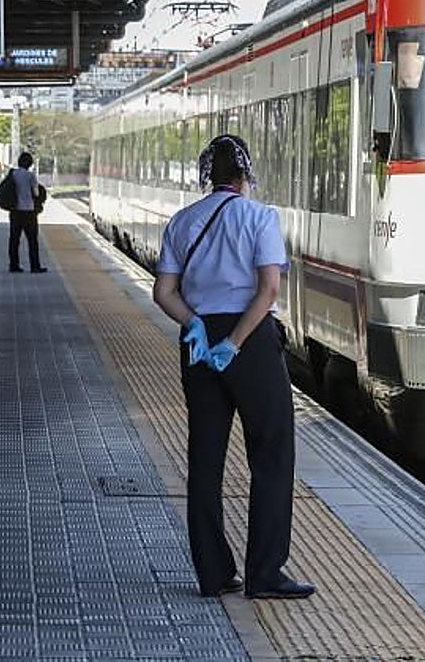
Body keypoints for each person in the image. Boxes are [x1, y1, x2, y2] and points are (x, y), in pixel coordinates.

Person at [152, 134, 314, 601]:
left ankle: (213, 572)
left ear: (208, 175)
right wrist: (235, 343)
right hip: (251, 341)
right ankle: (264, 573)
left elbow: (164, 292)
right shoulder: (260, 217)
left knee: (205, 458)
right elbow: (268, 291)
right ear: (245, 175)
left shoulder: (183, 221)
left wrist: (196, 327)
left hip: (198, 343)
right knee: (271, 452)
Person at [8, 151, 47, 274]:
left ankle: (14, 265)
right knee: (32, 240)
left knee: (14, 239)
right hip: (29, 212)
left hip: (15, 212)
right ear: (30, 164)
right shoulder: (30, 176)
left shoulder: (13, 174)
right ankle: (34, 266)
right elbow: (36, 193)